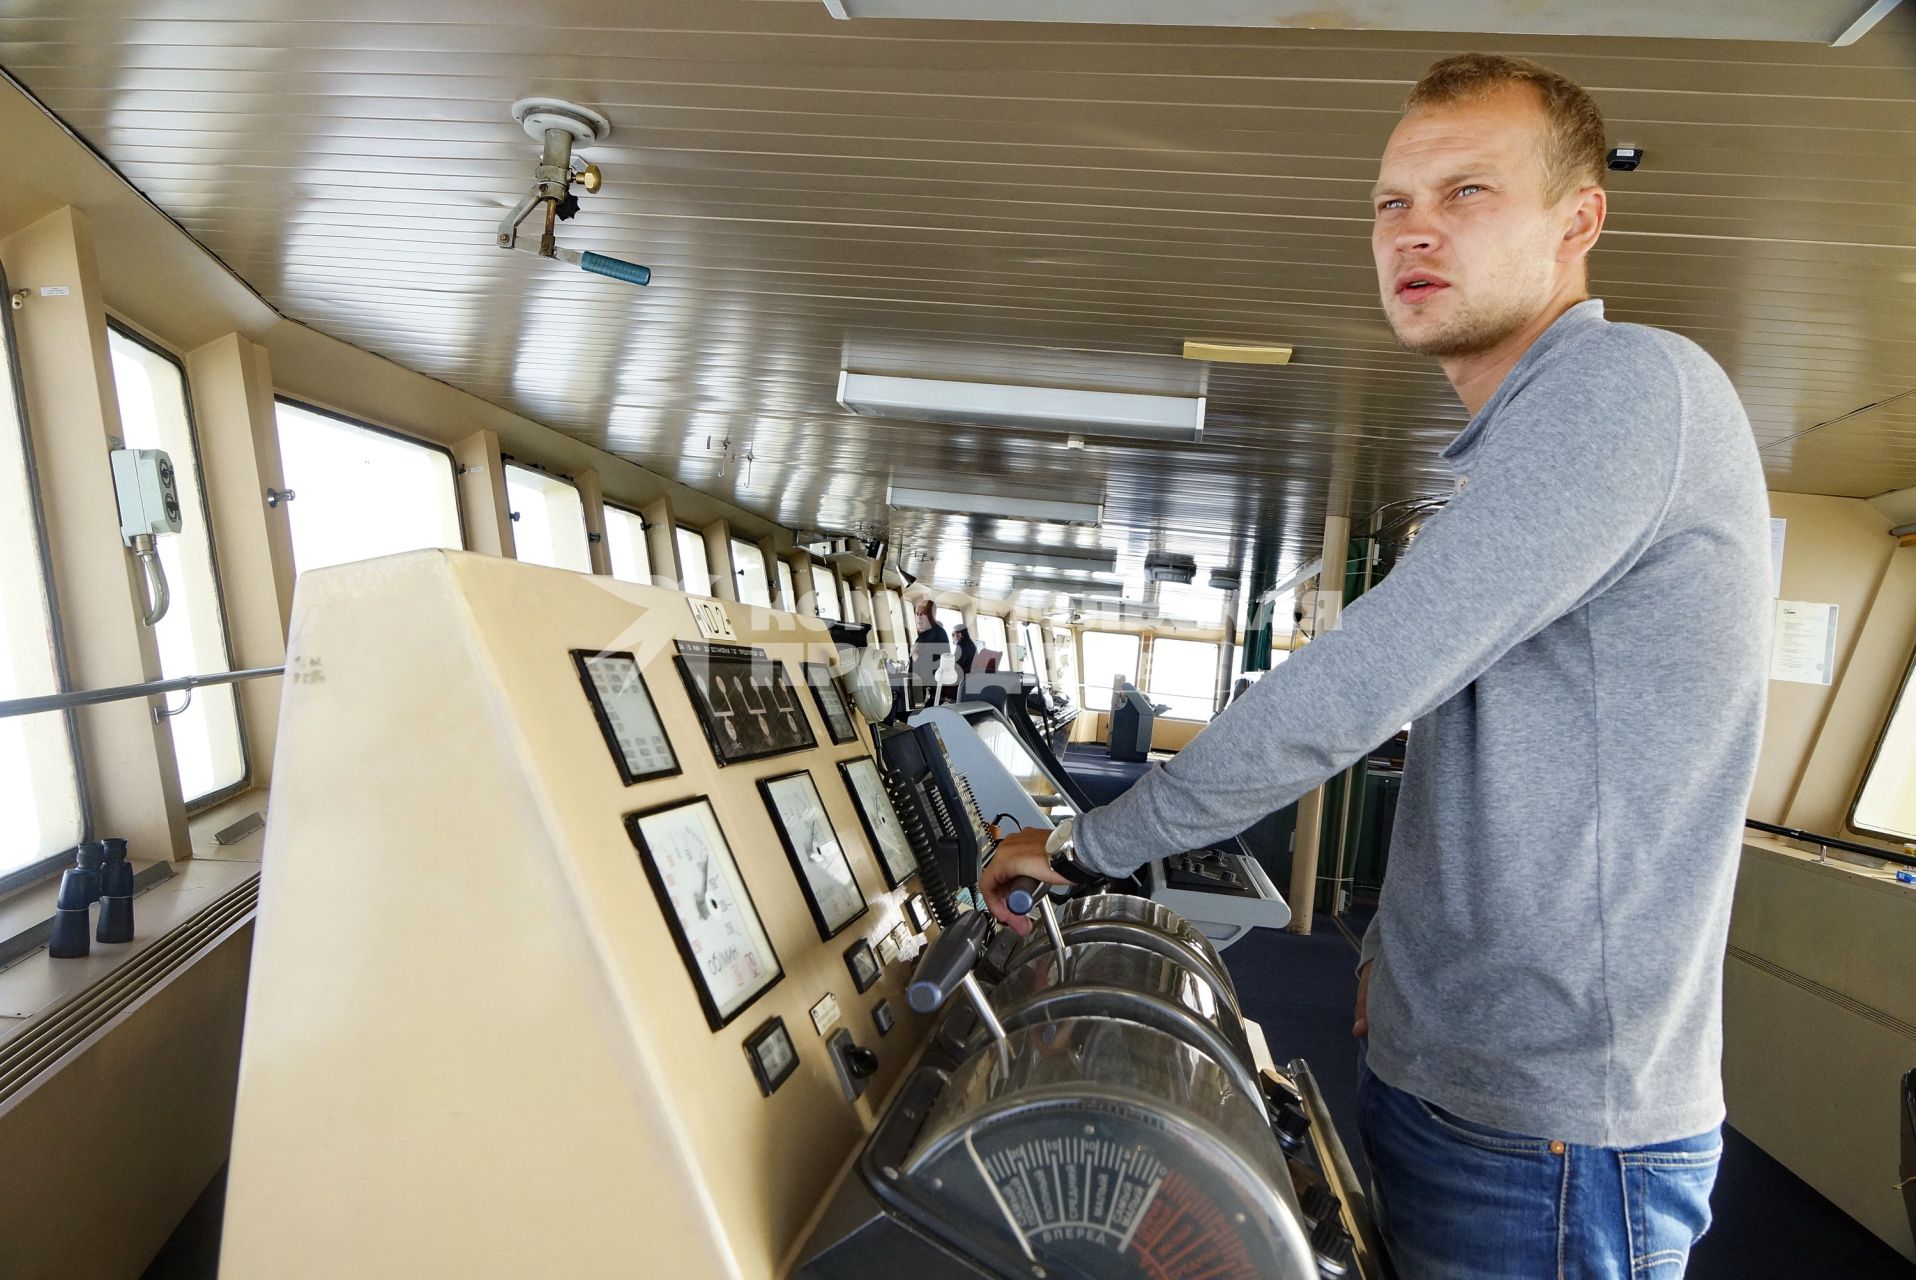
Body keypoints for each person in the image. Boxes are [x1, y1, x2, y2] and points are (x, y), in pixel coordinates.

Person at [983, 51, 1770, 1280]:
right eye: (1390, 202)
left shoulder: (1627, 390)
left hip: (1547, 1125)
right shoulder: (1521, 446)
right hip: (1456, 1074)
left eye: (1467, 193)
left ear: (1579, 221)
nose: (1414, 231)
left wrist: (1092, 849)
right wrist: (1389, 954)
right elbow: (1486, 741)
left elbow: (1359, 684)